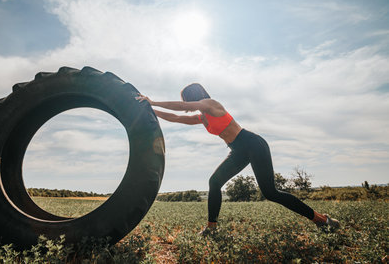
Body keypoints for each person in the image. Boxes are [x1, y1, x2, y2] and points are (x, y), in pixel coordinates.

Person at [136, 83, 339, 235]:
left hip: (252, 144)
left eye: (187, 99)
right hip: (238, 150)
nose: (187, 104)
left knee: (270, 192)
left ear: (193, 96)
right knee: (214, 182)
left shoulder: (210, 104)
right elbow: (178, 117)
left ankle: (321, 219)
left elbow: (181, 107)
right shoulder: (202, 117)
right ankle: (212, 228)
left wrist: (153, 101)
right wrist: (149, 109)